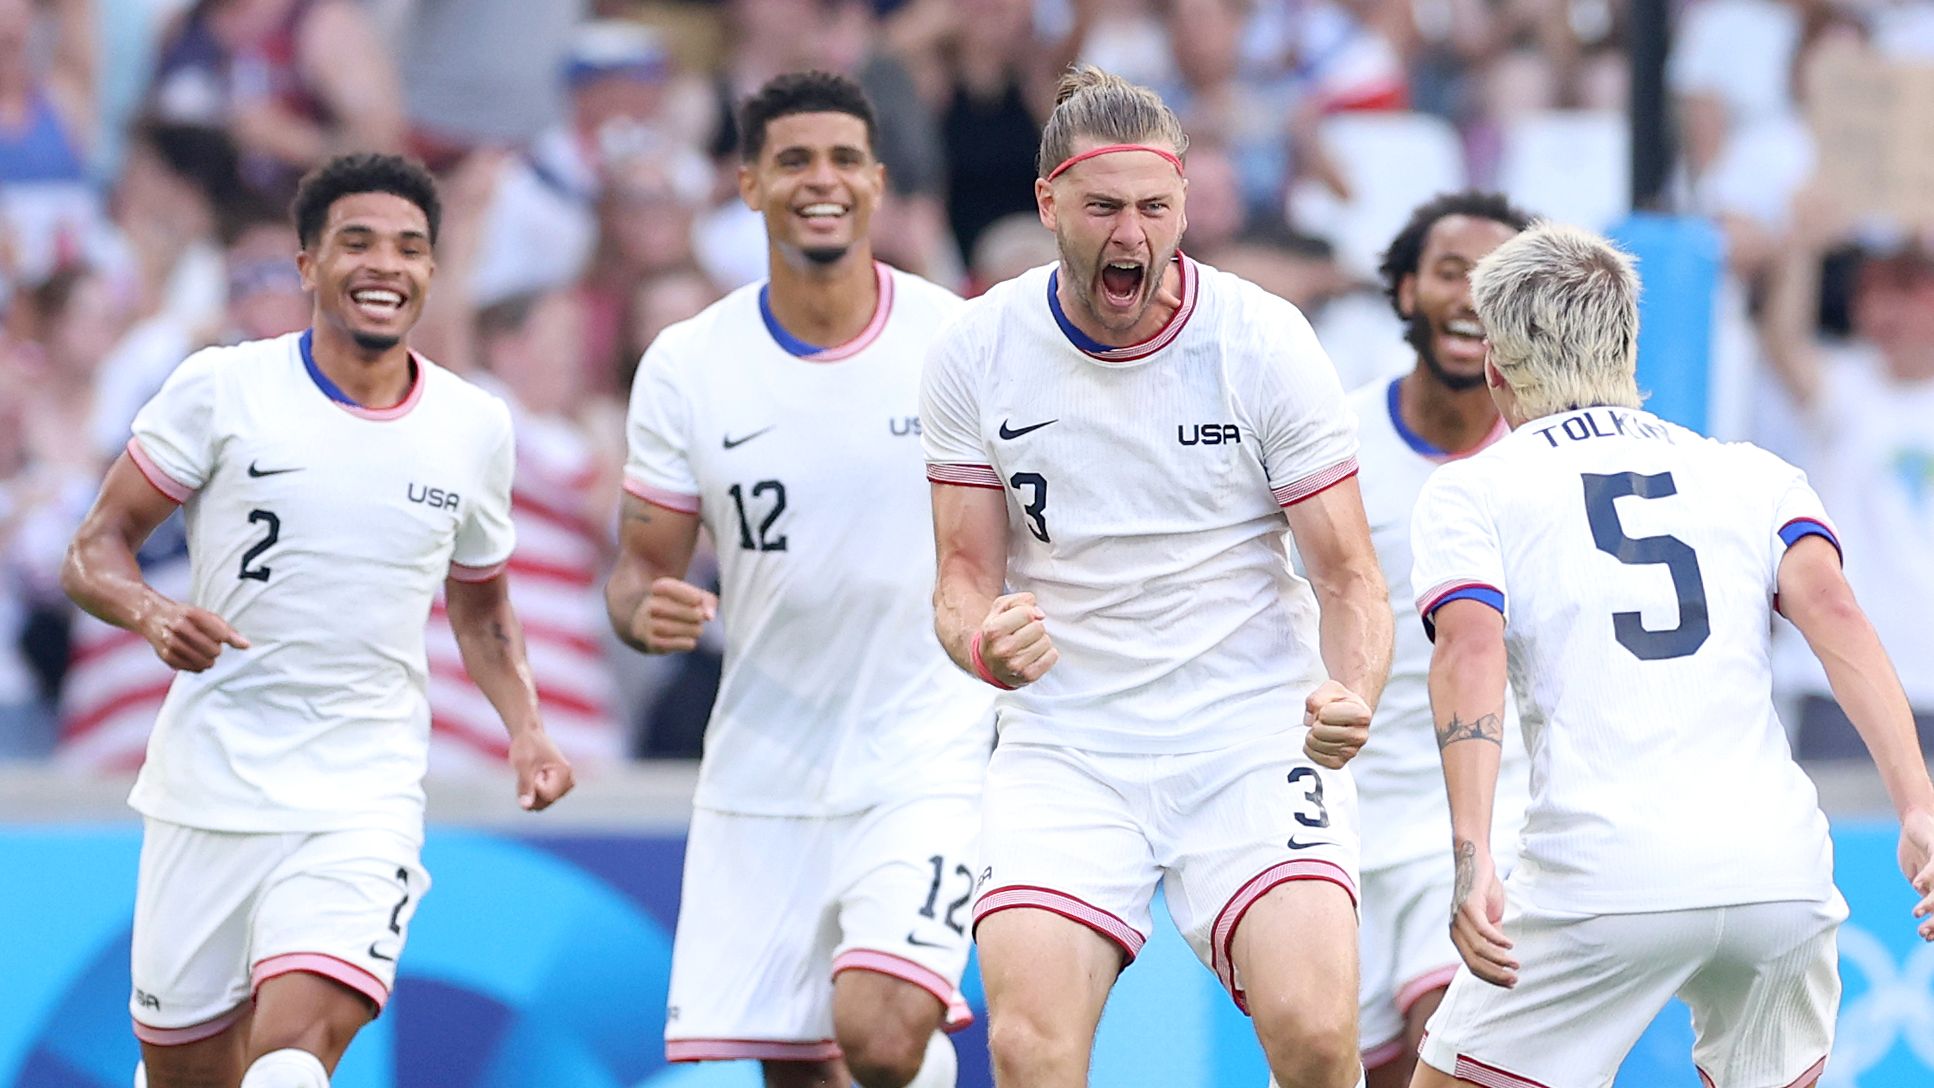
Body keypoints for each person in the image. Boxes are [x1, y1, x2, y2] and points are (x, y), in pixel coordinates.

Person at [59, 152, 575, 1088]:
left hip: (361, 794)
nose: (386, 266)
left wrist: (527, 726)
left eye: (409, 248)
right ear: (308, 264)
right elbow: (94, 549)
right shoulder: (223, 388)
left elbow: (484, 606)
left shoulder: (472, 425)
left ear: (432, 270)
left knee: (291, 1063)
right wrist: (150, 612)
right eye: (358, 243)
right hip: (209, 787)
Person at [921, 66, 1391, 1088]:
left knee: (1317, 1037)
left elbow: (1349, 575)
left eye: (1153, 207)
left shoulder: (1260, 339)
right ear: (1048, 204)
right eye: (1103, 207)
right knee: (1027, 1049)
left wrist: (1350, 692)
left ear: (1184, 203)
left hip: (1250, 731)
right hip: (1068, 741)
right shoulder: (976, 348)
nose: (1131, 234)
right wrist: (983, 644)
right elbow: (960, 575)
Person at [1407, 222, 1934, 1088]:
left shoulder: (1473, 489)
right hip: (1776, 873)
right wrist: (1917, 805)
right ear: (1628, 347)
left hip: (1600, 877)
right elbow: (1836, 612)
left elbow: (1470, 651)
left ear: (1496, 367)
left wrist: (1472, 856)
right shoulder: (1751, 473)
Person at [606, 71, 992, 1088]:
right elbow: (637, 571)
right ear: (748, 184)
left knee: (880, 1029)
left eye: (842, 159)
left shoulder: (955, 342)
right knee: (798, 1069)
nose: (821, 180)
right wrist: (645, 610)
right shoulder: (689, 363)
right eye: (793, 160)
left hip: (926, 748)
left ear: (876, 181)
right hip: (766, 766)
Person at [1345, 192, 1532, 1088]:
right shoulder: (1329, 443)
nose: (1471, 295)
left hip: (1485, 814)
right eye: (1452, 271)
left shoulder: (1542, 462)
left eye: (1496, 278)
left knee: (1448, 1045)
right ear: (1407, 290)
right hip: (1335, 817)